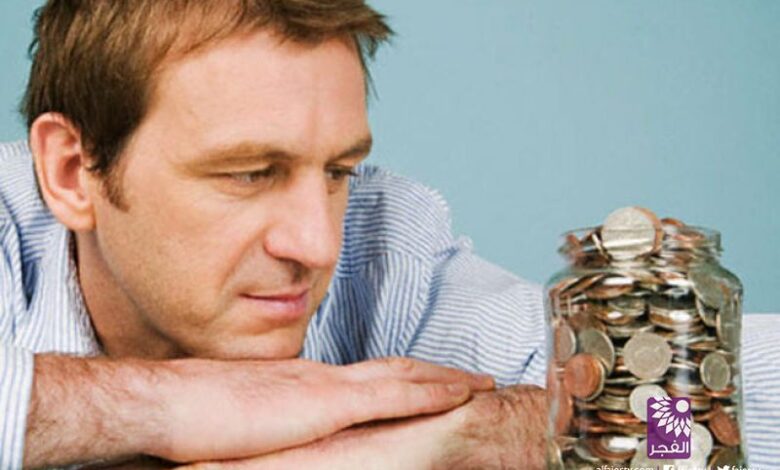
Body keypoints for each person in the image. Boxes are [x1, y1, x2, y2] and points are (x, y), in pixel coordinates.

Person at [1, 1, 778, 469]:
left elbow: (694, 416)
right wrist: (168, 407)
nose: (317, 246)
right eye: (248, 173)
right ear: (72, 172)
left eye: (337, 170)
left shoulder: (389, 252)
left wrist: (494, 433)